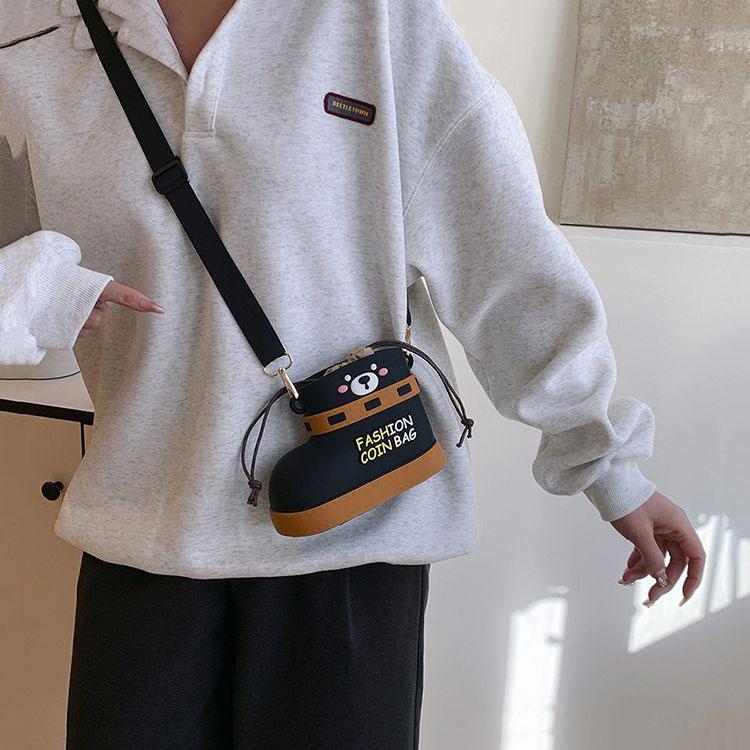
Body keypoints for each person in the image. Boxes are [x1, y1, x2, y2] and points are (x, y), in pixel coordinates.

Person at [0, 0, 705, 747]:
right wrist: (34, 290)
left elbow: (503, 257)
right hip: (141, 534)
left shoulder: (380, 21)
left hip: (354, 538)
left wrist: (607, 463)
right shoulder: (27, 29)